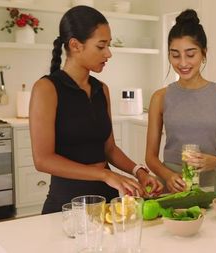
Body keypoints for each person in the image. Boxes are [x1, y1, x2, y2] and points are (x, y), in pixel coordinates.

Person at [29, 5, 163, 214]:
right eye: (101, 46)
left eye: (109, 45)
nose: (108, 53)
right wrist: (105, 174)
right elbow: (43, 160)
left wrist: (139, 172)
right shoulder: (47, 88)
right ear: (75, 45)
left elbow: (109, 149)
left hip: (107, 199)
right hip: (67, 203)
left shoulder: (102, 90)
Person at [145, 9, 216, 193]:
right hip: (171, 186)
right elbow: (150, 157)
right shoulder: (160, 97)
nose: (183, 63)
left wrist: (214, 161)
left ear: (204, 53)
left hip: (210, 187)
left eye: (190, 54)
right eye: (175, 55)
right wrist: (168, 176)